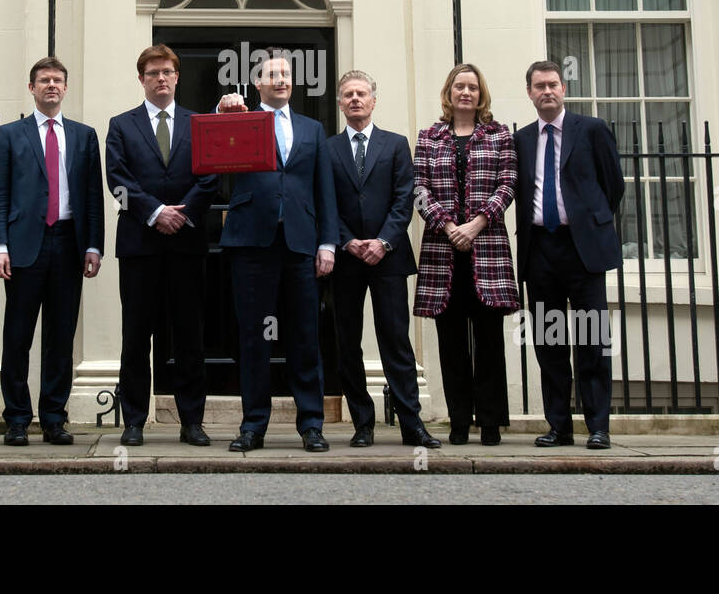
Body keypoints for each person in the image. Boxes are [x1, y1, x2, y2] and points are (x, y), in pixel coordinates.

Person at [216, 51, 339, 453]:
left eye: (286, 73)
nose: (282, 79)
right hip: (252, 244)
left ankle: (311, 425)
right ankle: (253, 425)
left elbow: (324, 190)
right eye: (273, 74)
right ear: (258, 84)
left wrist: (327, 243)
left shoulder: (313, 128)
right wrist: (222, 111)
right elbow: (212, 152)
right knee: (254, 337)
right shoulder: (242, 120)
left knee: (306, 337)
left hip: (301, 245)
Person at [105, 44, 218, 447]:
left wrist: (181, 214)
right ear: (141, 79)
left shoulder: (200, 122)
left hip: (187, 244)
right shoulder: (121, 125)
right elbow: (117, 179)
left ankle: (192, 421)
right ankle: (134, 419)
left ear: (177, 76)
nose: (161, 78)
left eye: (168, 71)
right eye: (153, 72)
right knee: (136, 335)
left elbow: (210, 177)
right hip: (140, 245)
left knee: (189, 334)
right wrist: (155, 213)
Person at [0, 56, 104, 446]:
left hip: (69, 243)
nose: (51, 85)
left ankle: (54, 417)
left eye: (57, 80)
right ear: (32, 88)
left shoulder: (85, 135)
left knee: (60, 337)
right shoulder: (9, 135)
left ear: (66, 88)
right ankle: (18, 418)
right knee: (18, 336)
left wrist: (93, 245)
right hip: (24, 245)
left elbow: (92, 197)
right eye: (43, 80)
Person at [514, 60, 624, 450]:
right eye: (540, 85)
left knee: (592, 341)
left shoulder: (591, 129)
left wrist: (587, 223)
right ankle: (559, 426)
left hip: (583, 251)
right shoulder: (523, 139)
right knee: (549, 343)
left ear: (564, 89)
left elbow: (613, 186)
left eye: (554, 84)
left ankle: (598, 427)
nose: (547, 91)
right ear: (529, 92)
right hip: (540, 249)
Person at [329, 70, 441, 450]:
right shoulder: (328, 150)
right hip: (346, 260)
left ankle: (412, 424)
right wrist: (348, 242)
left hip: (388, 259)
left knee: (396, 341)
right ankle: (363, 424)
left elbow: (403, 198)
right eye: (349, 94)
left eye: (362, 94)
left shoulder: (396, 145)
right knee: (348, 343)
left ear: (374, 101)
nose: (356, 99)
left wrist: (382, 242)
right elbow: (326, 204)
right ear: (341, 103)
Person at [413, 63, 519, 446]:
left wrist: (475, 224)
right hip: (444, 253)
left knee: (490, 342)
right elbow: (419, 188)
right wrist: (447, 226)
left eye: (473, 87)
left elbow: (507, 184)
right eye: (459, 86)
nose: (466, 93)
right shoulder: (430, 137)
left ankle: (490, 423)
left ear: (480, 94)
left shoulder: (499, 135)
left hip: (486, 249)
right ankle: (459, 421)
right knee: (451, 342)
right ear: (449, 92)